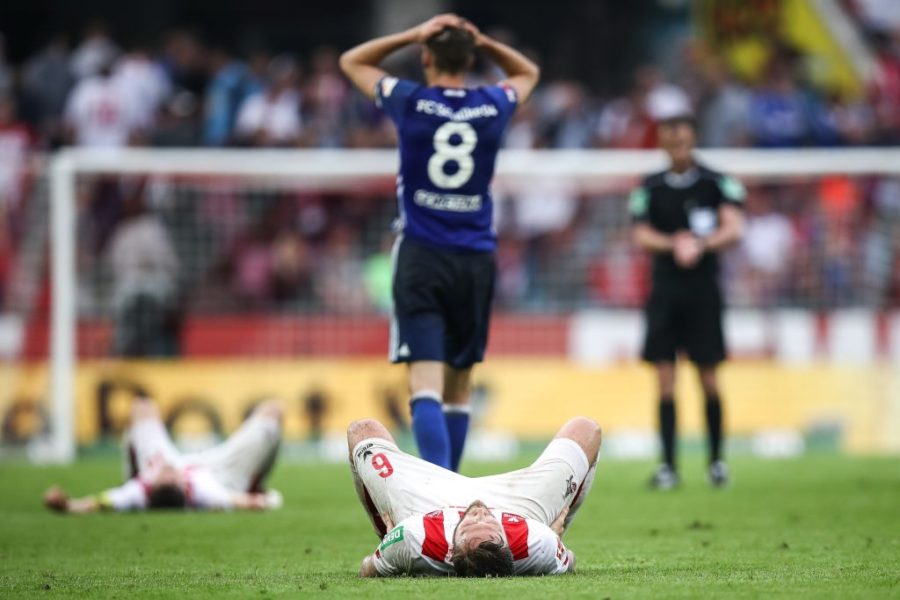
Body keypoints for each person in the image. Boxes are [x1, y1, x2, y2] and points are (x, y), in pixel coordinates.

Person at [339, 14, 540, 472]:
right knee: (460, 387)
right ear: (469, 60)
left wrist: (412, 34)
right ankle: (452, 488)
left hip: (422, 255)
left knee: (424, 385)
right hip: (475, 258)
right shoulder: (491, 104)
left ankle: (438, 499)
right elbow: (528, 73)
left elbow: (351, 61)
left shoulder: (410, 100)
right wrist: (484, 40)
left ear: (425, 57)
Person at [629, 101, 746, 489]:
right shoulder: (650, 186)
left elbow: (734, 227)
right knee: (665, 379)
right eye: (670, 130)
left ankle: (716, 463)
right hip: (665, 290)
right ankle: (668, 467)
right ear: (661, 139)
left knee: (709, 377)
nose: (677, 137)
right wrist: (673, 243)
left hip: (703, 290)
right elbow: (640, 233)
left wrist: (701, 244)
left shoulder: (717, 182)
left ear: (693, 136)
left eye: (683, 129)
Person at [347, 416, 600, 577]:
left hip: (424, 504)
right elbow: (571, 563)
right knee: (586, 429)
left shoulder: (413, 538)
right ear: (506, 542)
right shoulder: (538, 544)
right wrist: (557, 542)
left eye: (469, 529)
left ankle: (384, 535)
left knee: (362, 431)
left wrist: (387, 545)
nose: (480, 515)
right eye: (491, 528)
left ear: (452, 547)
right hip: (521, 506)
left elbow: (367, 570)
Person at [44, 396, 283, 513]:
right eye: (172, 478)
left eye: (163, 478)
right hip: (219, 472)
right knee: (274, 411)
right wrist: (262, 500)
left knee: (141, 407)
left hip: (159, 461)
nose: (169, 473)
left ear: (149, 486)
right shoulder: (203, 489)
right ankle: (253, 482)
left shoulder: (137, 490)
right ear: (184, 487)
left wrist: (66, 505)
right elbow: (238, 502)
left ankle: (131, 471)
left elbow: (98, 503)